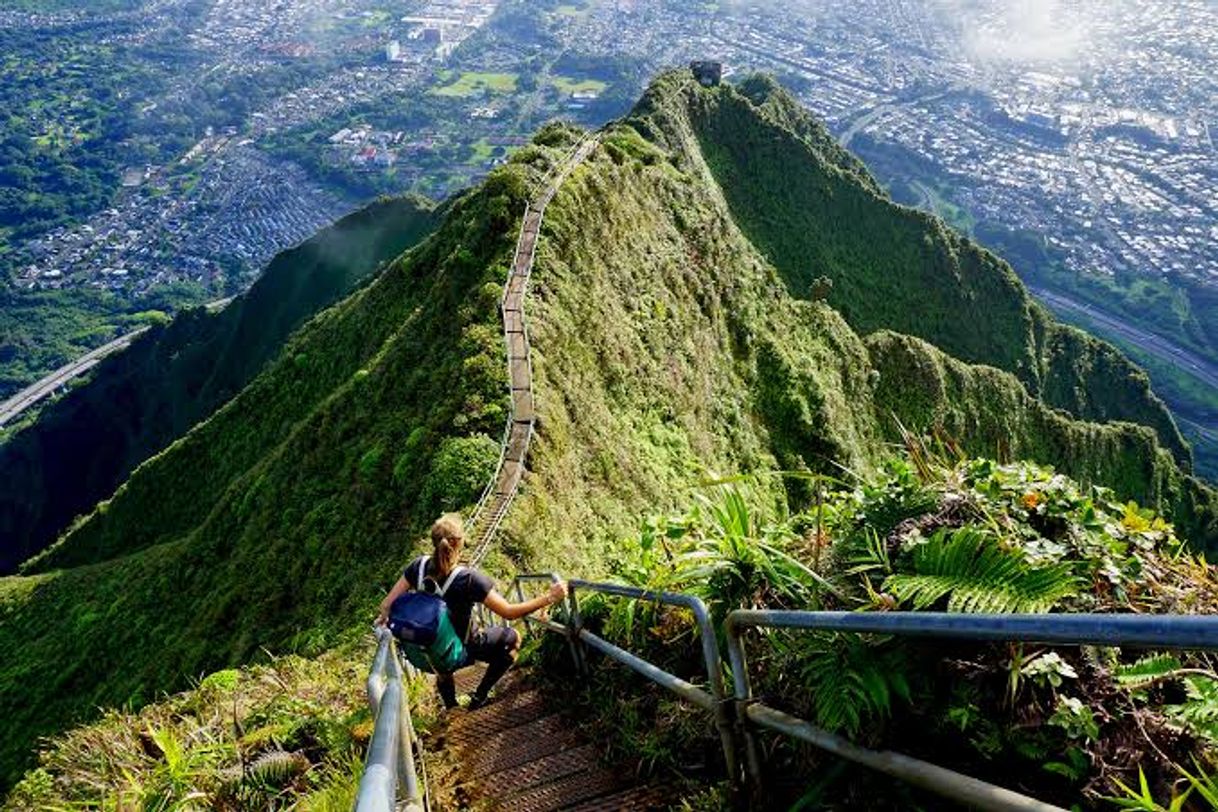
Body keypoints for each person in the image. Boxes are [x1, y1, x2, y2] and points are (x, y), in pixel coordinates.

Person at [376, 513, 568, 709]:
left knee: (441, 655)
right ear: (459, 543)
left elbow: (386, 605)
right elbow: (508, 612)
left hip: (427, 652)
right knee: (513, 638)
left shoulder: (417, 567)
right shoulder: (468, 579)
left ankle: (451, 707)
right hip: (467, 649)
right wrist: (549, 597)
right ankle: (480, 696)